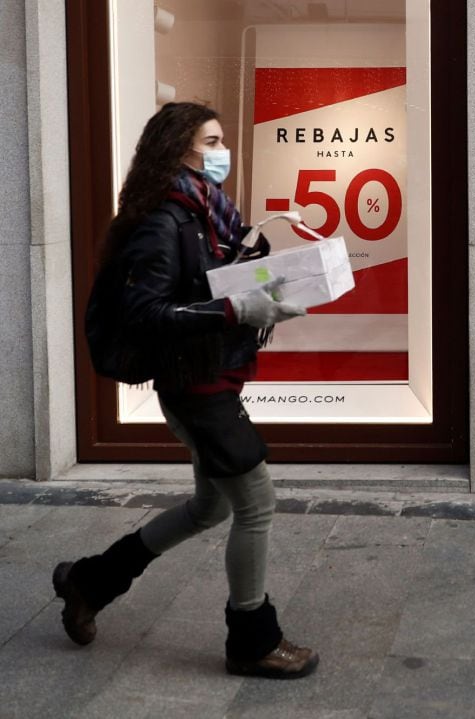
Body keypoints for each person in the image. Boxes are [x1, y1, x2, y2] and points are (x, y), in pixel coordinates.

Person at [53, 102, 318, 679]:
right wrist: (234, 308)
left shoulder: (205, 209)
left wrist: (258, 269)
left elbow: (204, 278)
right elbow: (146, 311)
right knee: (255, 504)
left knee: (210, 505)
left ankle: (90, 581)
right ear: (180, 148)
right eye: (213, 141)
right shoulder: (163, 220)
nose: (222, 152)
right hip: (195, 384)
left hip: (211, 372)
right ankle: (252, 639)